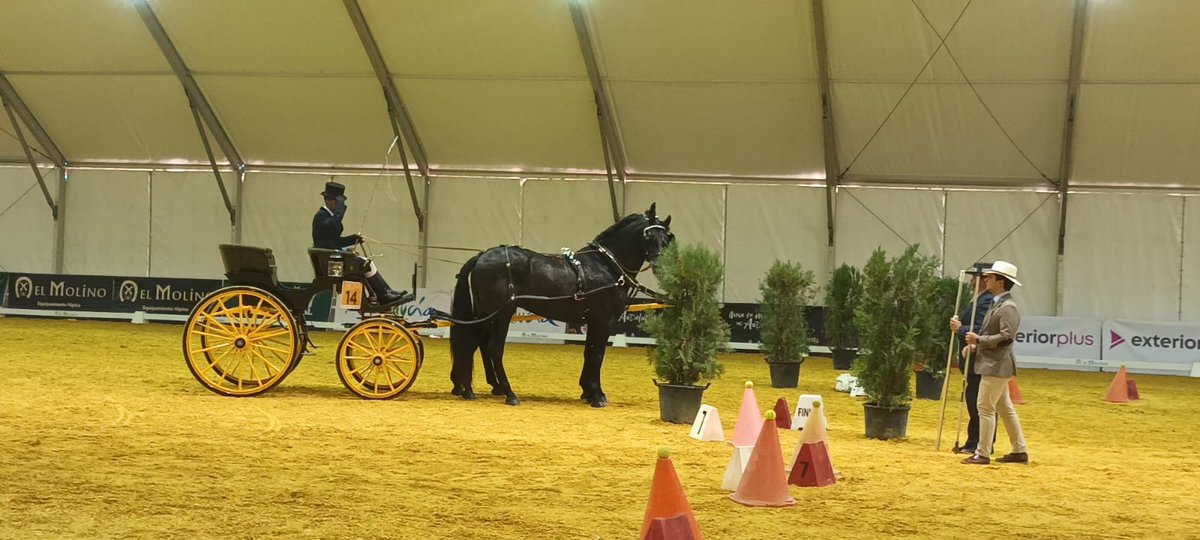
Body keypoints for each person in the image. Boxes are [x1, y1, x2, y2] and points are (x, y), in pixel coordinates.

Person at [960, 261, 1028, 465]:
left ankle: (982, 453)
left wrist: (978, 341)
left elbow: (1007, 337)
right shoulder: (998, 303)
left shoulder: (1007, 307)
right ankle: (1019, 450)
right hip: (994, 363)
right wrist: (975, 345)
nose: (986, 279)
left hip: (996, 364)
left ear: (1000, 282)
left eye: (990, 277)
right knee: (1004, 408)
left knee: (985, 407)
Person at [312, 181, 413, 307]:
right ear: (330, 200)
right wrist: (339, 215)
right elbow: (333, 229)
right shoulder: (322, 216)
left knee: (364, 261)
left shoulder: (327, 217)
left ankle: (384, 292)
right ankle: (382, 294)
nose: (341, 205)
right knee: (364, 263)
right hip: (331, 262)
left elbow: (333, 240)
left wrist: (353, 239)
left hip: (332, 258)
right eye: (339, 202)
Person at [948, 262, 995, 455]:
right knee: (978, 400)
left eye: (974, 277)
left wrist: (961, 329)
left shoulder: (986, 300)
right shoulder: (980, 298)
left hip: (977, 356)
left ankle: (979, 442)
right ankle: (976, 441)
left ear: (983, 279)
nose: (971, 280)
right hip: (972, 355)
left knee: (978, 401)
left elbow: (980, 328)